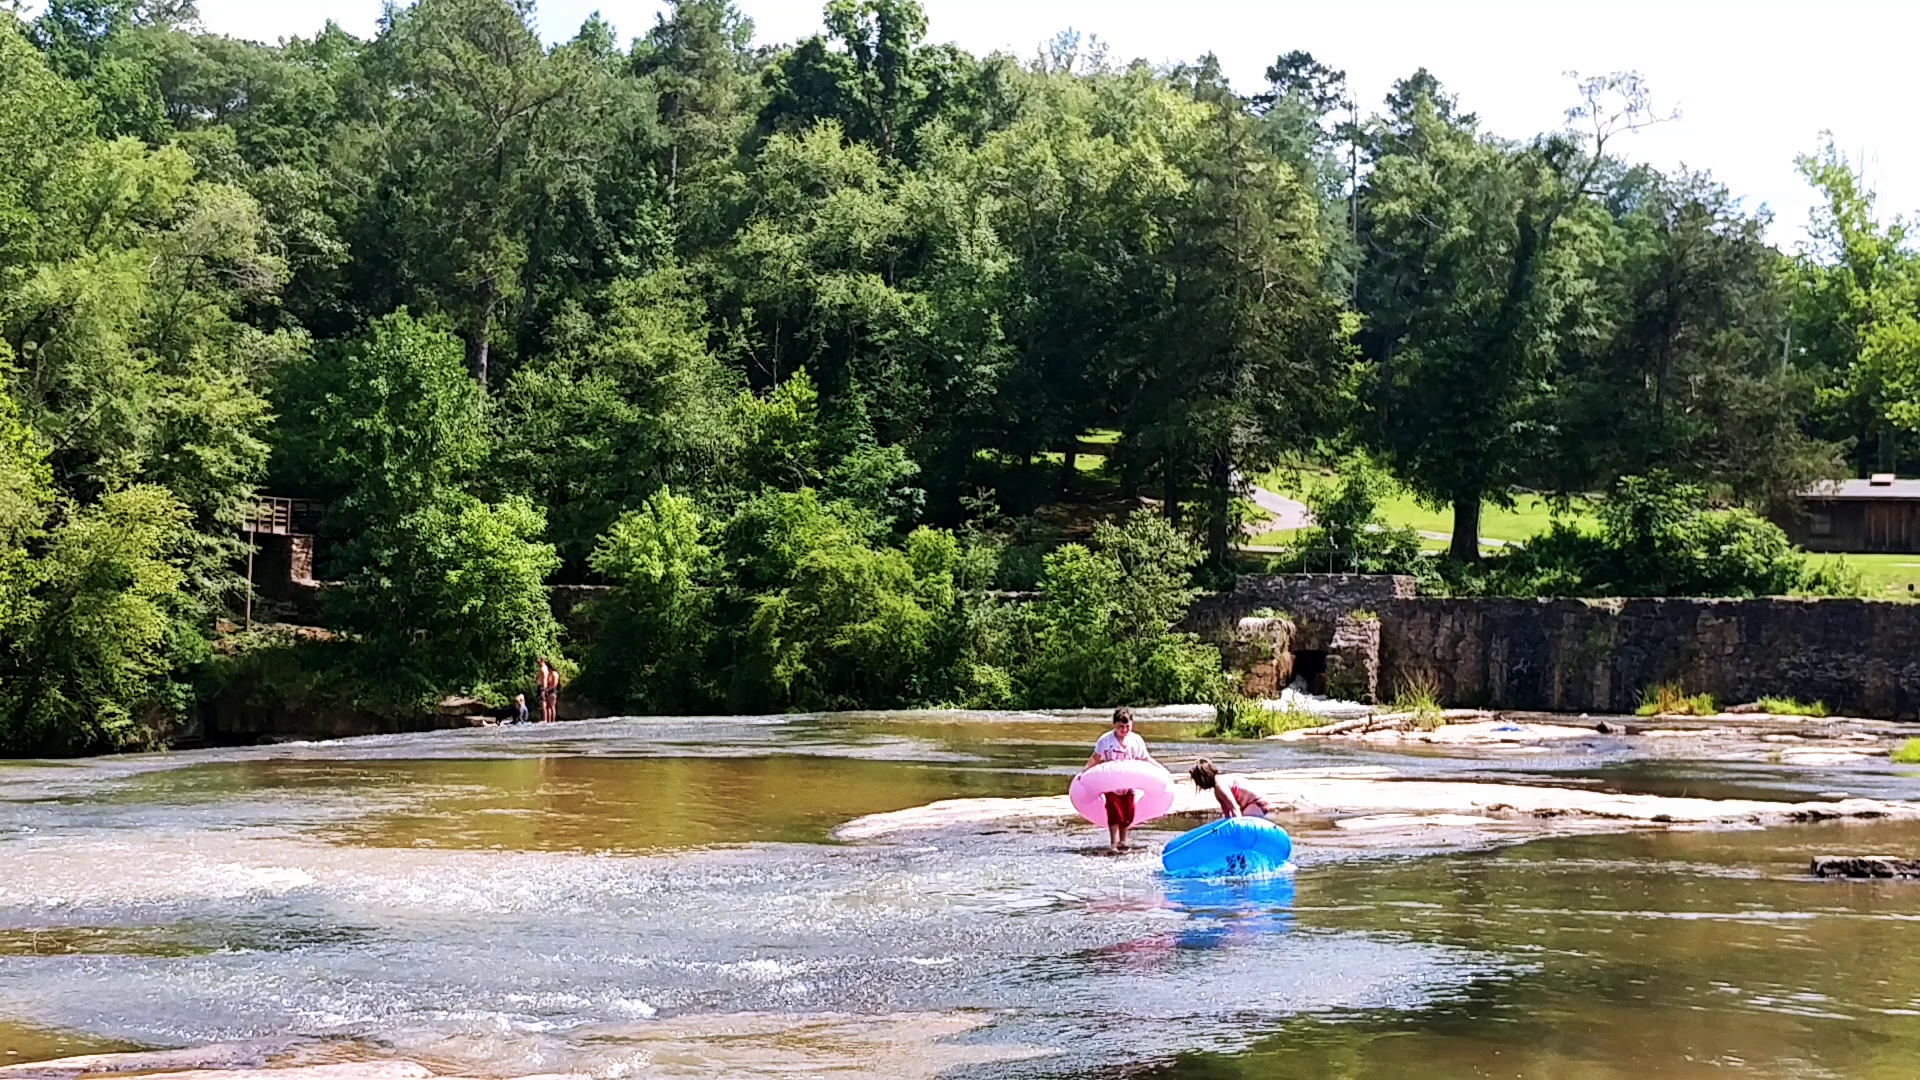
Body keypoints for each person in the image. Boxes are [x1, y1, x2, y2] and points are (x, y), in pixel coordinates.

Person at [1083, 706, 1159, 852]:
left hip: (1129, 784)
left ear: (1132, 725)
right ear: (1114, 725)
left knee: (1128, 813)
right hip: (1111, 783)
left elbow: (1145, 758)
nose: (1124, 730)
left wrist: (1160, 769)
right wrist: (1084, 772)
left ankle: (1123, 841)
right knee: (1113, 812)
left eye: (1127, 726)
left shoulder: (1136, 740)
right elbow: (1096, 758)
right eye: (1120, 727)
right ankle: (1113, 843)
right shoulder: (1105, 740)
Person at [1188, 759, 1269, 819]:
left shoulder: (1220, 785)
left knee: (1242, 824)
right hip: (1249, 806)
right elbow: (1227, 814)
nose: (1198, 784)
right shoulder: (1218, 788)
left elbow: (1234, 808)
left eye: (1197, 780)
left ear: (1203, 778)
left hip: (1258, 804)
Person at [536, 658, 560, 723]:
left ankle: (551, 720)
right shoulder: (550, 673)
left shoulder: (554, 673)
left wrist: (545, 689)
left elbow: (554, 684)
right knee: (548, 706)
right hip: (548, 690)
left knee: (552, 706)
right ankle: (549, 721)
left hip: (552, 691)